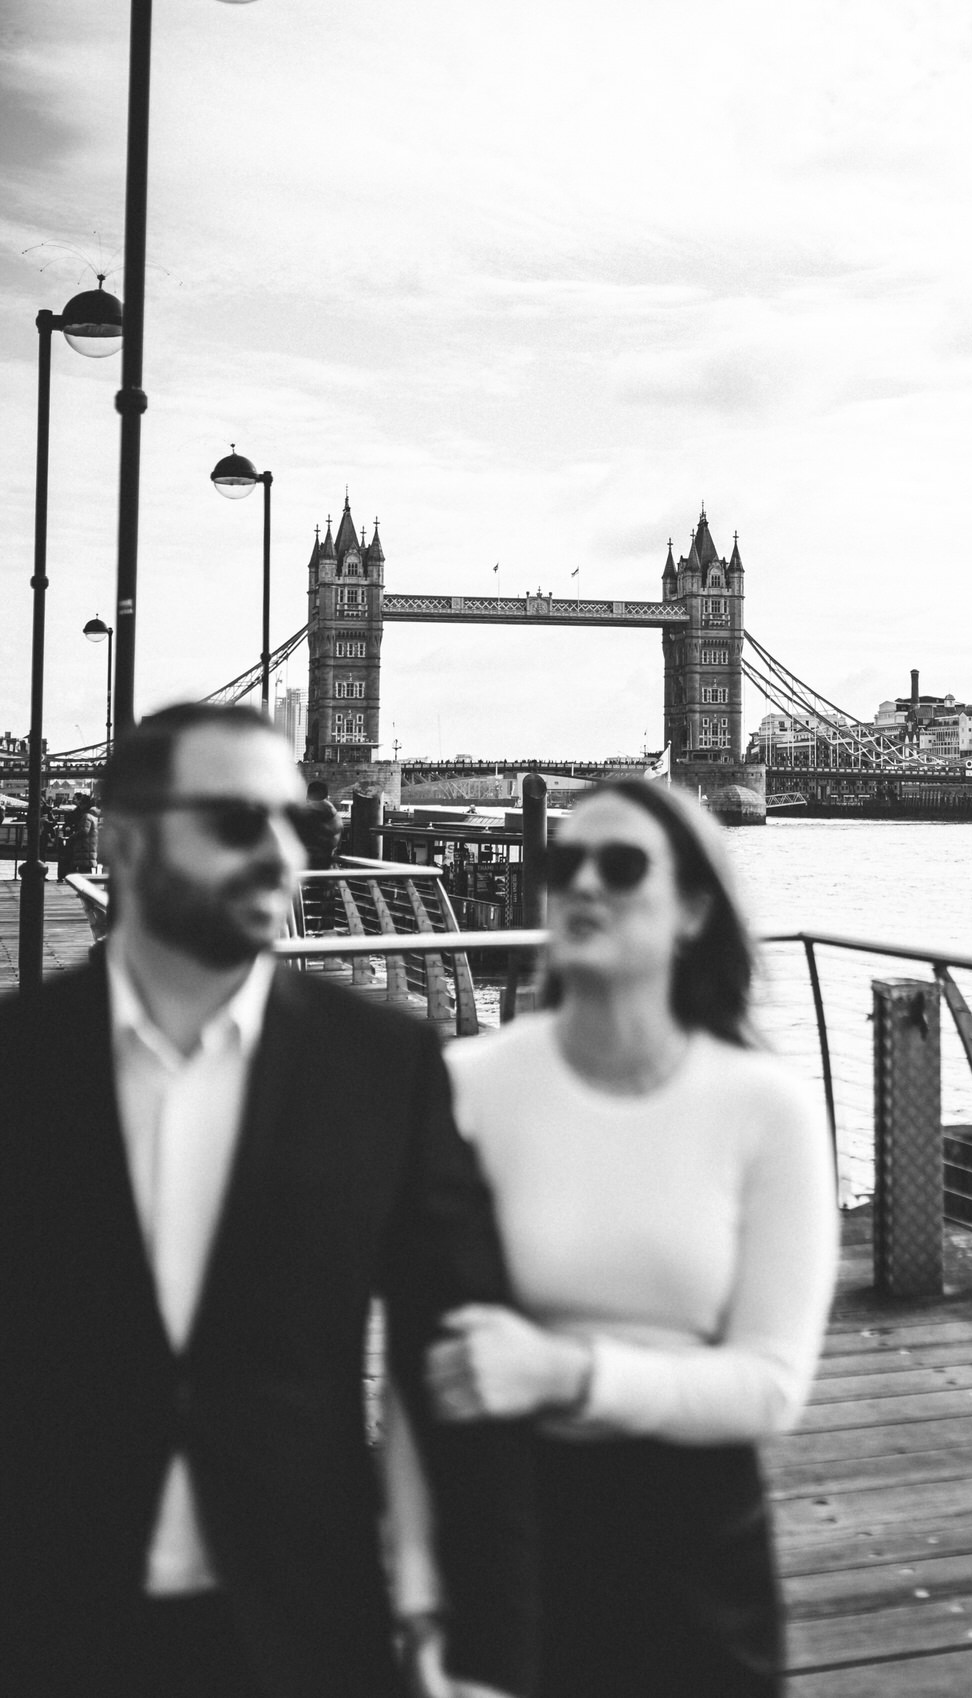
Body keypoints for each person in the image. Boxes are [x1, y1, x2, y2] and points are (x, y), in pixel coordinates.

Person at [0, 703, 533, 1698]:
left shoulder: (385, 1065)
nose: (281, 850)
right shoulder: (18, 1066)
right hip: (43, 1617)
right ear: (120, 837)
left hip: (304, 1625)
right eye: (238, 819)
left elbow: (456, 1360)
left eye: (304, 824)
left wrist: (475, 1640)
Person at [387, 779, 839, 1698]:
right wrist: (417, 1598)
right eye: (562, 864)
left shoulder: (768, 1111)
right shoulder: (460, 1088)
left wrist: (566, 1375)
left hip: (694, 1555)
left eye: (623, 865)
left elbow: (769, 1390)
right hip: (501, 1537)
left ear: (694, 909)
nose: (583, 884)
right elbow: (412, 1372)